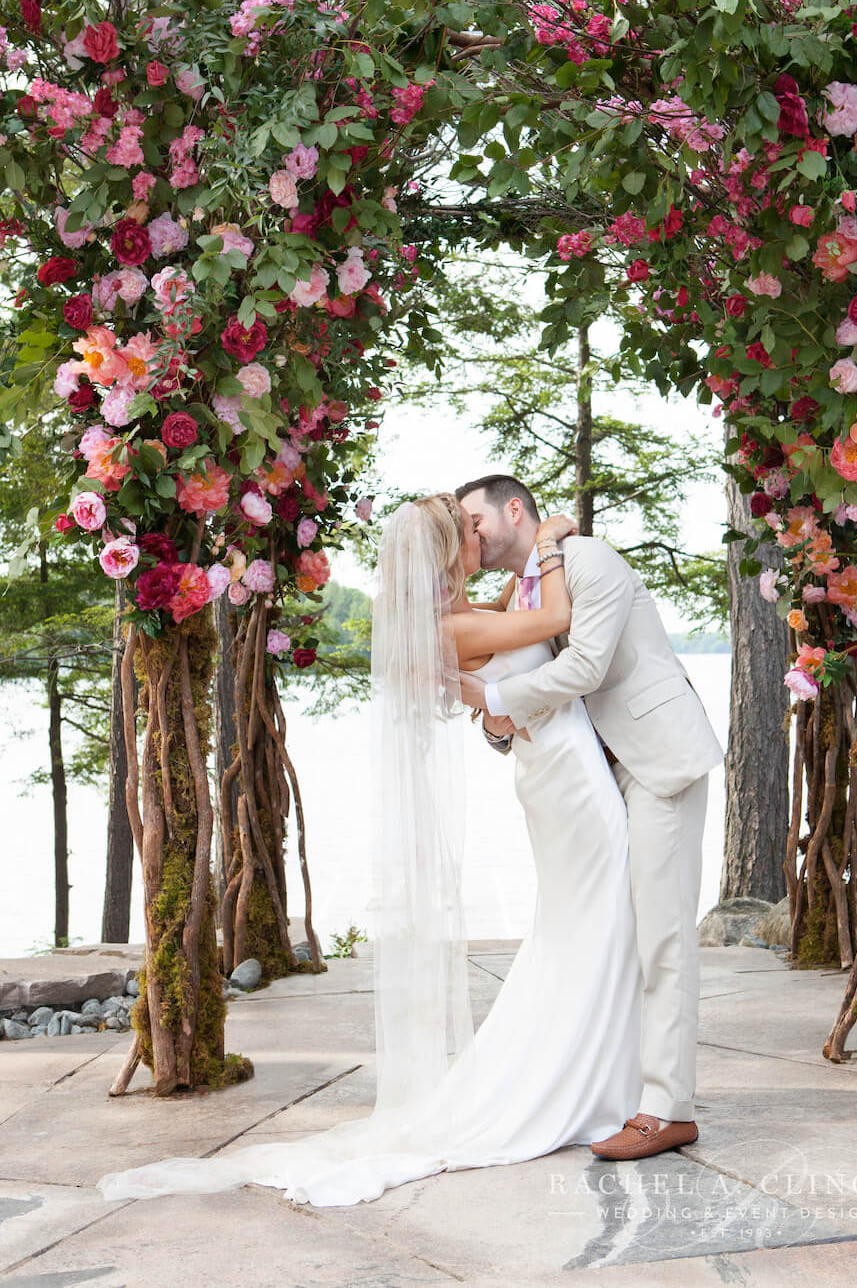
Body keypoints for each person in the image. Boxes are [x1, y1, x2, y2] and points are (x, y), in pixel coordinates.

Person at [97, 492, 643, 1208]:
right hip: (566, 779)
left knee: (585, 928)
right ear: (453, 554)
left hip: (560, 772)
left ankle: (597, 1074)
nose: (481, 536)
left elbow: (517, 620)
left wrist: (527, 571)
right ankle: (590, 1082)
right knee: (597, 921)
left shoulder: (455, 618)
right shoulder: (450, 628)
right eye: (470, 531)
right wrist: (549, 543)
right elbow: (555, 621)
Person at [457, 474, 724, 1161]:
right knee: (613, 932)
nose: (471, 534)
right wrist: (494, 716)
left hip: (655, 759)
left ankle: (669, 1109)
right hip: (594, 782)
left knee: (663, 933)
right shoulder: (523, 592)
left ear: (515, 510)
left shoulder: (589, 560)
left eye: (475, 519)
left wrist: (497, 700)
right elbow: (519, 701)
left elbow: (584, 667)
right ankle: (619, 1090)